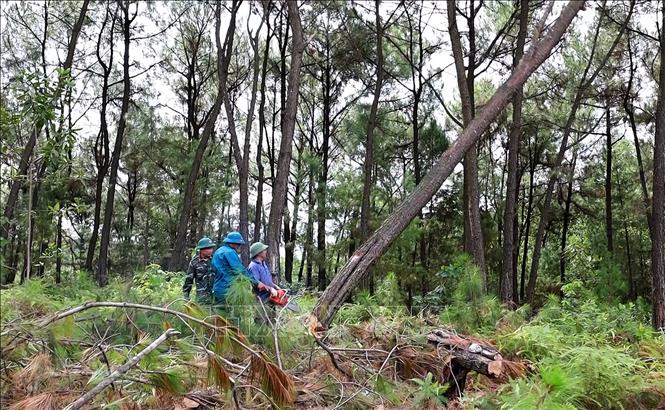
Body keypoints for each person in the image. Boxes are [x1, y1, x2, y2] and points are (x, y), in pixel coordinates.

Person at [211, 232, 278, 305]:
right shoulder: (229, 252)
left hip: (218, 288)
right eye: (239, 244)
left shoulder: (218, 251)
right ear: (234, 243)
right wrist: (256, 282)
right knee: (233, 314)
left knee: (219, 313)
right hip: (228, 290)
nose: (239, 246)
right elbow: (240, 270)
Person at [182, 237, 216, 304]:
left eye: (211, 248)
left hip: (215, 297)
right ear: (201, 249)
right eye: (207, 248)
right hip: (202, 298)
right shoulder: (194, 262)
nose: (210, 250)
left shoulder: (215, 260)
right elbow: (189, 280)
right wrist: (186, 297)